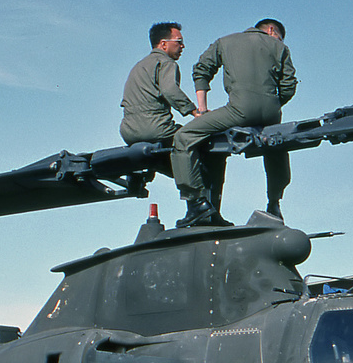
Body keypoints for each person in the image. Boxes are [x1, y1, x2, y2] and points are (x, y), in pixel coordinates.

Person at [170, 19, 296, 226]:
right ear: (272, 30)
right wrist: (272, 102)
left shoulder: (225, 41)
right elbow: (289, 86)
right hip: (273, 112)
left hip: (239, 111)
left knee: (184, 137)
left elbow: (201, 70)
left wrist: (202, 110)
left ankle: (196, 203)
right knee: (276, 143)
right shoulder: (280, 47)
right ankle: (274, 203)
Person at [120, 22, 201, 146]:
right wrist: (195, 112)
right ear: (163, 44)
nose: (182, 46)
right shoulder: (166, 62)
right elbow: (170, 90)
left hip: (128, 132)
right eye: (179, 41)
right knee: (199, 138)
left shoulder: (139, 66)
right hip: (155, 129)